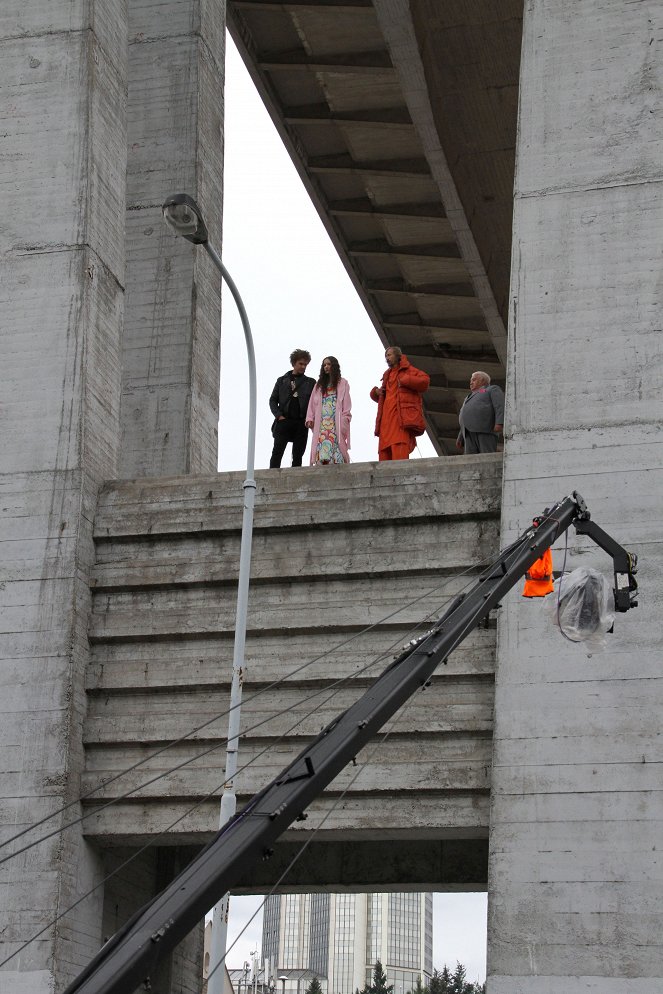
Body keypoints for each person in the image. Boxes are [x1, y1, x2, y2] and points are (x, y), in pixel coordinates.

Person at [370, 346, 430, 460]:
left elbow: (425, 381)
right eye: (385, 356)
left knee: (399, 452)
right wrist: (375, 392)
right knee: (383, 456)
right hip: (385, 424)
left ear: (398, 356)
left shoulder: (408, 370)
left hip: (400, 422)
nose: (387, 358)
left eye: (389, 355)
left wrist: (406, 379)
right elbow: (384, 398)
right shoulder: (386, 375)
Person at [269, 349, 316, 468]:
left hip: (301, 422)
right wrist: (279, 416)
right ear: (294, 363)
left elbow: (315, 403)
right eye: (301, 363)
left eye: (305, 364)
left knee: (298, 455)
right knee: (277, 452)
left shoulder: (310, 382)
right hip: (284, 420)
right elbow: (273, 400)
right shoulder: (282, 380)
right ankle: (272, 477)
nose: (303, 366)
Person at [305, 356, 352, 464]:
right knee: (321, 440)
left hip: (336, 419)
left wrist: (345, 417)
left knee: (336, 440)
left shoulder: (343, 383)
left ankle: (336, 462)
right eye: (324, 365)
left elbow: (346, 402)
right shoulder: (319, 385)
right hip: (321, 420)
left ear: (334, 366)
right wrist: (310, 417)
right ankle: (322, 462)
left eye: (329, 364)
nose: (326, 367)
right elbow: (312, 402)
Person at [456, 370, 504, 455]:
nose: (471, 382)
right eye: (470, 381)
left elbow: (499, 406)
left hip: (485, 429)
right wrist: (460, 437)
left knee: (486, 456)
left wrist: (500, 423)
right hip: (468, 433)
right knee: (470, 460)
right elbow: (465, 416)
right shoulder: (468, 397)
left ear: (483, 381)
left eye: (474, 380)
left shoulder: (491, 389)